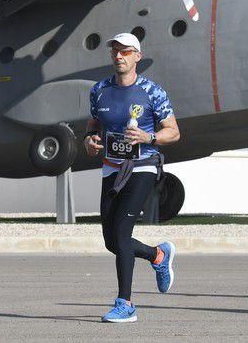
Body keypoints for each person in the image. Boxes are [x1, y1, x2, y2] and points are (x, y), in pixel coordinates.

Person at [84, 32, 180, 323]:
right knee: (111, 241)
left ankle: (125, 304)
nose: (119, 56)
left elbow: (173, 132)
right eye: (115, 51)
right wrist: (89, 141)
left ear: (137, 56)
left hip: (142, 168)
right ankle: (158, 256)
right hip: (112, 168)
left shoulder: (152, 91)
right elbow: (93, 125)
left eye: (125, 52)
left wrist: (148, 136)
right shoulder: (99, 90)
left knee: (122, 234)